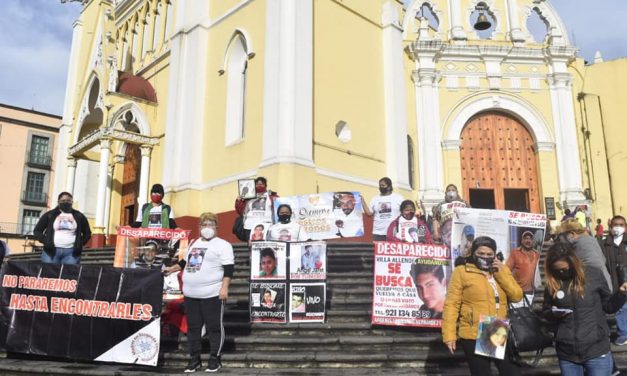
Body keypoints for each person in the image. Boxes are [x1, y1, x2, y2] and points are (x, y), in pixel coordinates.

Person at [163, 212, 234, 373]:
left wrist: (225, 288)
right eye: (203, 224)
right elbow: (184, 262)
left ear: (216, 227)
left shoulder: (223, 245)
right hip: (191, 295)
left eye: (210, 224)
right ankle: (194, 360)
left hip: (212, 294)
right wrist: (171, 269)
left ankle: (215, 360)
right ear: (199, 227)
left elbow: (229, 269)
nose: (206, 228)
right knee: (193, 329)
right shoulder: (194, 243)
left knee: (214, 327)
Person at [543, 242, 627, 375]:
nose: (564, 273)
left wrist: (621, 295)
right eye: (558, 270)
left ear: (574, 262)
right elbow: (546, 311)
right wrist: (553, 314)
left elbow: (609, 307)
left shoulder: (594, 274)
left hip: (596, 349)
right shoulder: (553, 281)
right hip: (567, 353)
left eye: (566, 269)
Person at [442, 236, 522, 376]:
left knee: (511, 372)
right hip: (474, 331)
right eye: (481, 254)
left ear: (495, 255)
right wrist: (449, 334)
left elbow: (517, 296)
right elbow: (452, 304)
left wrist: (501, 273)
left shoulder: (501, 270)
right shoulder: (462, 272)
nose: (485, 257)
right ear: (473, 253)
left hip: (497, 327)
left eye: (489, 254)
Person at [33, 192, 91, 264]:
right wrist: (46, 241)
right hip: (51, 252)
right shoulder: (50, 215)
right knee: (49, 274)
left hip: (71, 253)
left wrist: (79, 243)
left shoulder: (79, 216)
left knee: (69, 274)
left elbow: (87, 233)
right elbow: (37, 231)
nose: (66, 202)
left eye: (68, 201)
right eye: (63, 201)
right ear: (58, 202)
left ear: (72, 202)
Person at [558, 218, 612, 290]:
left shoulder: (583, 244)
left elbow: (594, 266)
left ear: (572, 234)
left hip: (595, 291)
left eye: (561, 235)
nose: (560, 239)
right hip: (601, 287)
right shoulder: (589, 240)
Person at [600, 215, 627, 345]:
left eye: (621, 225)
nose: (618, 227)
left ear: (625, 227)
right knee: (621, 308)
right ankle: (623, 333)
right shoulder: (605, 244)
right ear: (610, 227)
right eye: (615, 225)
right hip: (615, 282)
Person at [506, 231, 541, 305]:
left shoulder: (537, 254)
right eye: (525, 238)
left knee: (528, 314)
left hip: (531, 292)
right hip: (518, 290)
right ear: (522, 240)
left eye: (530, 239)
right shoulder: (515, 253)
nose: (528, 241)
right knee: (518, 313)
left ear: (533, 241)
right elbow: (506, 271)